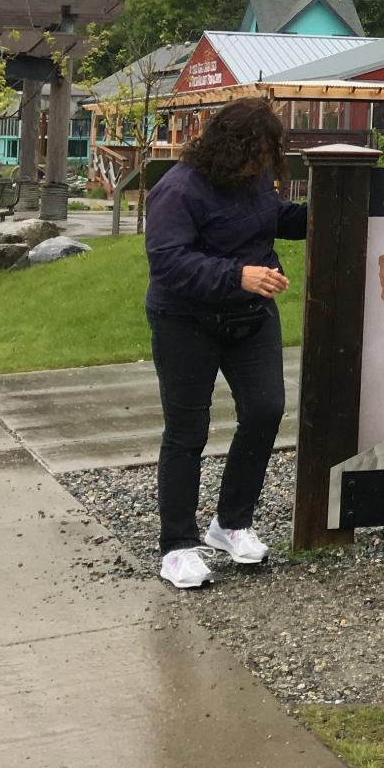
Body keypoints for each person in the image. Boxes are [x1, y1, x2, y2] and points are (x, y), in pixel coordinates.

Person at [143, 98, 306, 589]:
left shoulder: (254, 179)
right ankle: (177, 547)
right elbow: (168, 261)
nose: (265, 161)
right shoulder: (178, 189)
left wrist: (336, 207)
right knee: (187, 429)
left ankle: (231, 523)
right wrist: (239, 275)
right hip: (184, 319)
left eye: (270, 153)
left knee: (265, 410)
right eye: (259, 151)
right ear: (231, 146)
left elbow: (272, 216)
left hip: (250, 316)